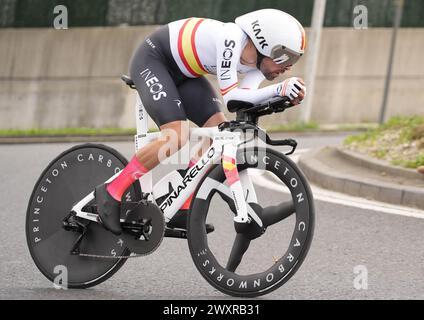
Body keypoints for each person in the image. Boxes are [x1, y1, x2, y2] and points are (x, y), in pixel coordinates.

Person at [95, 8, 307, 235]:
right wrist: (280, 88)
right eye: (286, 58)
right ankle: (111, 191)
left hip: (185, 75)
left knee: (218, 130)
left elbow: (245, 101)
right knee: (176, 135)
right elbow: (232, 98)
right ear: (265, 44)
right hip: (154, 60)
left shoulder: (259, 67)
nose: (288, 67)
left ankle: (182, 204)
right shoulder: (232, 38)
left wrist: (282, 97)